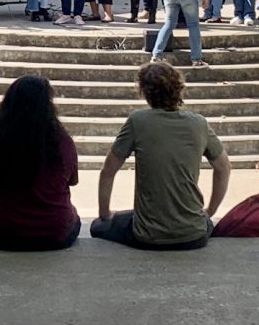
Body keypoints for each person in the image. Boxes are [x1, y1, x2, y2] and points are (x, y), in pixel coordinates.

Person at [91, 62, 231, 251]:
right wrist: (209, 212)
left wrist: (104, 213)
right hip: (194, 233)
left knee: (98, 226)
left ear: (144, 92)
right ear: (179, 89)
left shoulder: (138, 121)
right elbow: (223, 168)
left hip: (148, 235)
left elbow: (108, 171)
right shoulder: (199, 123)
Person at [0, 76, 81, 251]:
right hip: (54, 232)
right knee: (73, 216)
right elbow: (72, 181)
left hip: (1, 230)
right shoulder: (63, 142)